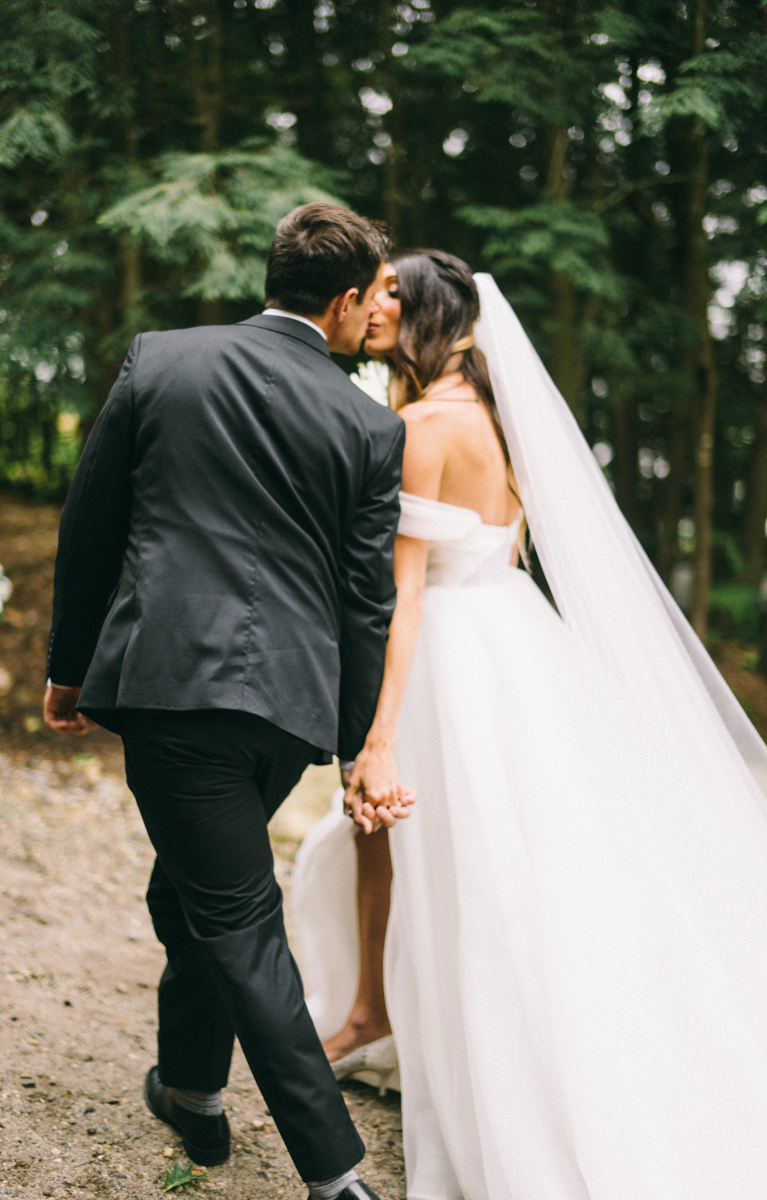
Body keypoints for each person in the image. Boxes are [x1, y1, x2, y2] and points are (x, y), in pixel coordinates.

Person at [293, 250, 767, 1198]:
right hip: (517, 636)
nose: (378, 307)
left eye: (395, 297)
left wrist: (377, 737)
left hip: (454, 658)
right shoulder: (498, 422)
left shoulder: (425, 423)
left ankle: (484, 1066)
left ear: (425, 317)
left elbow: (408, 595)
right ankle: (376, 1013)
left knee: (472, 867)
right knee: (520, 856)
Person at [43, 202, 413, 1200]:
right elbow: (363, 598)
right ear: (341, 303)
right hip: (287, 709)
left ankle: (334, 1173)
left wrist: (68, 665)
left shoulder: (161, 359)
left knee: (233, 917)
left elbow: (93, 520)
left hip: (171, 689)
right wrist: (345, 743)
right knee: (193, 894)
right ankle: (195, 1092)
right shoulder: (369, 426)